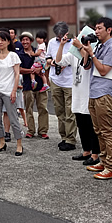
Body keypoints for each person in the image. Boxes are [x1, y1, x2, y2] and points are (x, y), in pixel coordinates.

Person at [72, 17, 112, 180]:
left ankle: (111, 167)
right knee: (98, 131)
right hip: (94, 92)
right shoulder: (98, 45)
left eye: (99, 28)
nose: (96, 31)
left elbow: (104, 70)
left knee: (107, 131)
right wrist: (85, 50)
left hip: (104, 94)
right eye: (96, 28)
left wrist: (91, 54)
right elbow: (87, 66)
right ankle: (104, 161)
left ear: (109, 30)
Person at [55, 31, 101, 166]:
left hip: (89, 93)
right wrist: (62, 45)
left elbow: (87, 66)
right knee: (81, 124)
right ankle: (86, 151)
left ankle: (95, 154)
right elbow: (58, 61)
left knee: (91, 126)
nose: (77, 39)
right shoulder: (73, 53)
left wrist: (82, 47)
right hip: (77, 93)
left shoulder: (93, 52)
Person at [46, 21, 77, 151]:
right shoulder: (52, 42)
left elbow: (77, 60)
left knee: (70, 112)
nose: (59, 38)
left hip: (70, 81)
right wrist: (53, 62)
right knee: (59, 111)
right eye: (57, 36)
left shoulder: (74, 43)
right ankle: (63, 137)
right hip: (55, 80)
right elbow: (47, 58)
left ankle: (70, 139)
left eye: (61, 36)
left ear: (67, 33)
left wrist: (65, 64)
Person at [19, 32, 50, 139]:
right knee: (29, 109)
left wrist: (41, 69)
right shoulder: (20, 54)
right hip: (28, 85)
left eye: (27, 39)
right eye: (23, 40)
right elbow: (19, 69)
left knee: (43, 108)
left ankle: (43, 131)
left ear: (31, 41)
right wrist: (32, 70)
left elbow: (47, 64)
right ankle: (30, 131)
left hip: (41, 84)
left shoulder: (38, 51)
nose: (25, 42)